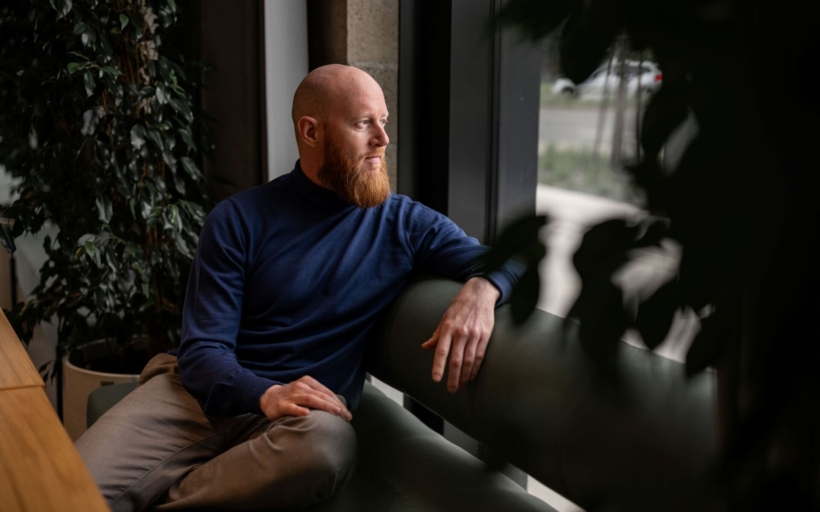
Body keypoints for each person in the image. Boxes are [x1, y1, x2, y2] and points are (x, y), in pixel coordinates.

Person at [77, 64, 522, 512]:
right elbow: (204, 351)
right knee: (62, 491)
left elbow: (517, 257)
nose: (383, 139)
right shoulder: (237, 220)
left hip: (299, 422)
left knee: (327, 445)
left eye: (384, 121)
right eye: (363, 123)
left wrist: (481, 290)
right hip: (194, 397)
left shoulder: (404, 223)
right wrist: (266, 393)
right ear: (311, 132)